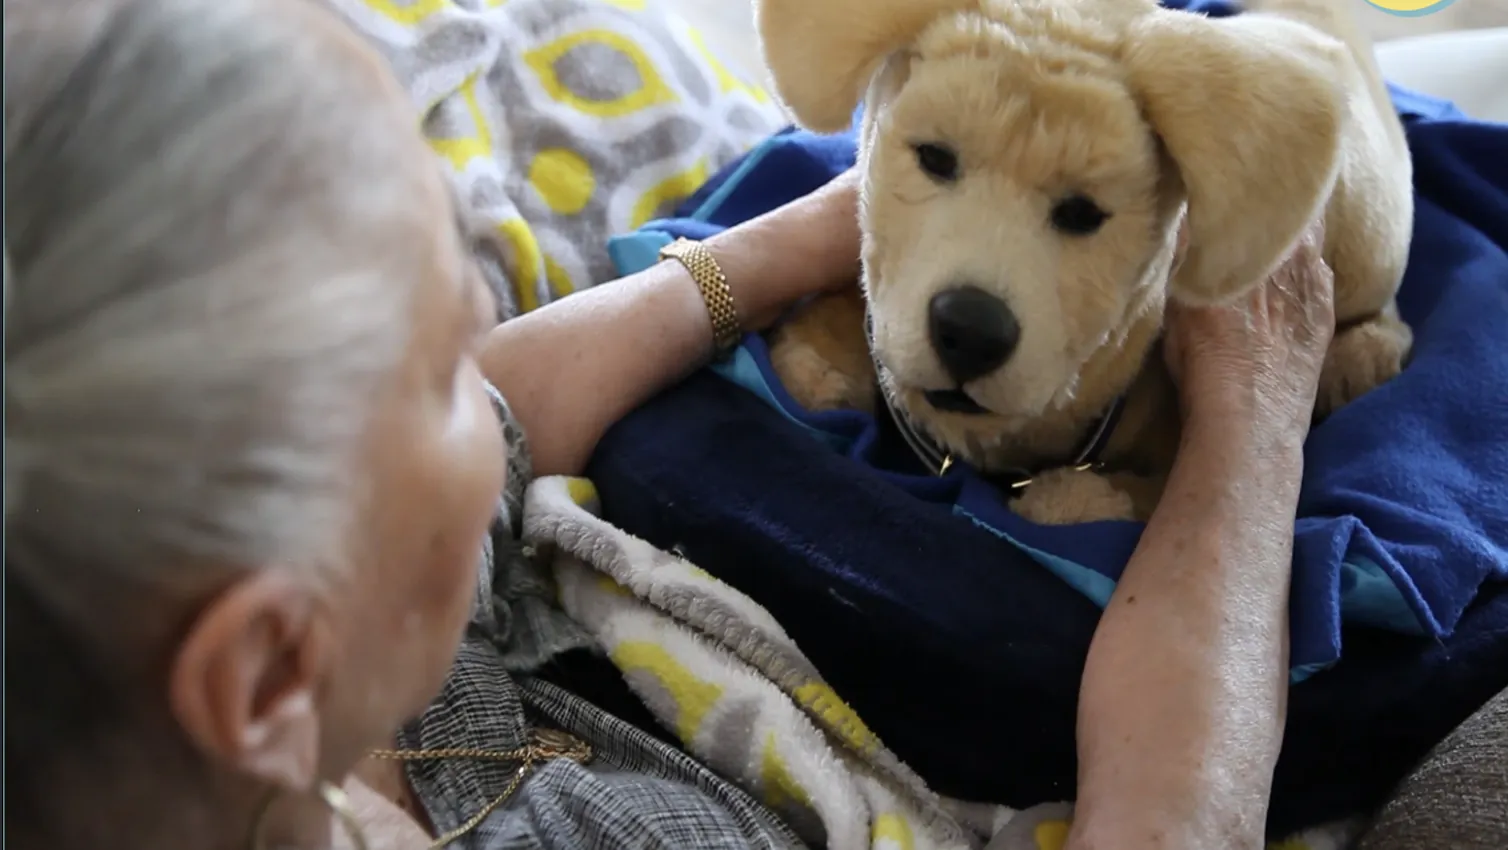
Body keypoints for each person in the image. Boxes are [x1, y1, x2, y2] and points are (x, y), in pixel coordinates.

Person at [2, 1, 1333, 849]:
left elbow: (511, 415)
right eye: (432, 371)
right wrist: (1254, 429)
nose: (488, 351)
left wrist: (822, 233)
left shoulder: (240, 702)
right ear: (265, 675)